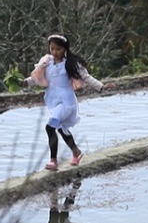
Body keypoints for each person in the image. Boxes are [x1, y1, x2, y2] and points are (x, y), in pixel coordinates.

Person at [25, 33, 99, 170]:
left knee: (50, 127)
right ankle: (76, 152)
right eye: (52, 49)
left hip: (66, 101)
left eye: (58, 49)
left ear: (65, 49)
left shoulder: (70, 64)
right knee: (60, 128)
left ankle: (53, 160)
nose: (54, 52)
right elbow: (36, 76)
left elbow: (86, 77)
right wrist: (24, 83)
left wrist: (101, 86)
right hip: (52, 99)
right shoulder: (47, 63)